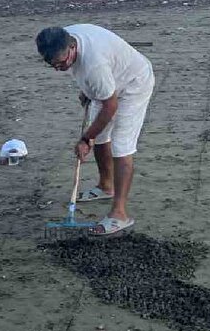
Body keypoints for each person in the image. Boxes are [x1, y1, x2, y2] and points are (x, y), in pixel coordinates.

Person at [35, 24, 156, 237]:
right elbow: (94, 81)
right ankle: (105, 186)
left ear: (72, 46)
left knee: (121, 146)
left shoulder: (93, 65)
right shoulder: (58, 38)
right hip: (109, 81)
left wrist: (85, 138)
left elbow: (110, 106)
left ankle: (120, 214)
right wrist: (88, 90)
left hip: (134, 83)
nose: (58, 68)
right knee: (100, 136)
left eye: (62, 63)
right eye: (52, 64)